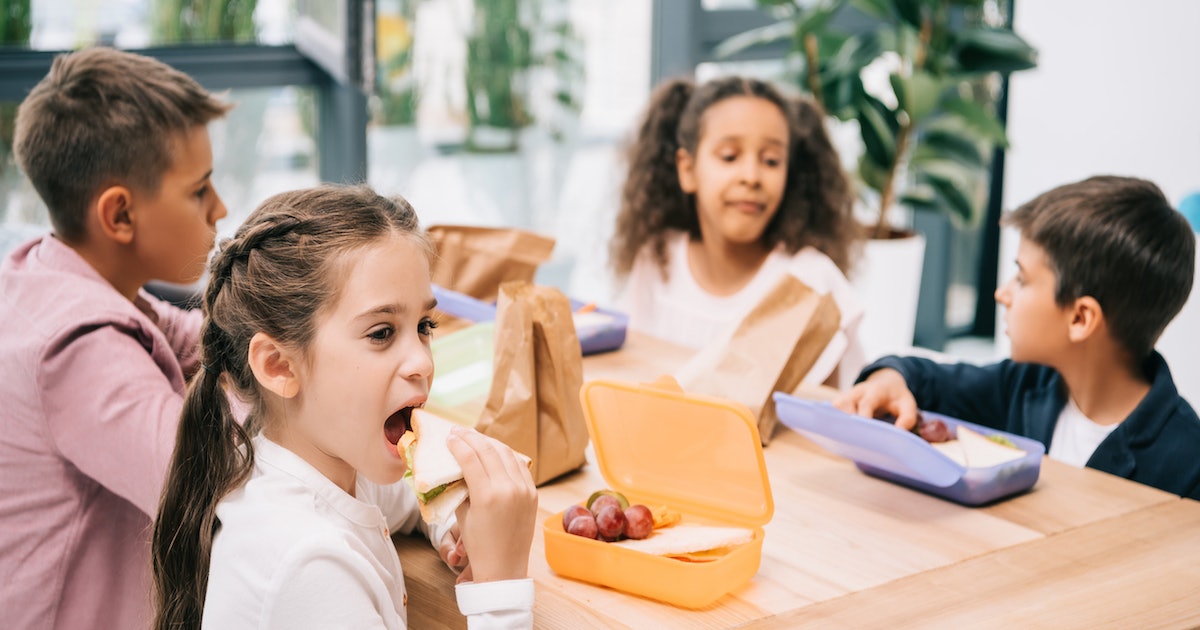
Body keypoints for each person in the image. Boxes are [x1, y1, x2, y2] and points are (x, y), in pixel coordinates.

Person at [152, 185, 539, 628]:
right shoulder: (309, 566)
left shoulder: (316, 461)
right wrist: (500, 586)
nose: (422, 361)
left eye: (424, 325)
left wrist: (449, 522)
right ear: (279, 366)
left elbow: (397, 495)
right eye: (381, 333)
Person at [0, 47, 232, 629]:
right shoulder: (79, 348)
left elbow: (208, 342)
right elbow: (212, 486)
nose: (220, 208)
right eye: (199, 189)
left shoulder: (51, 276)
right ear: (120, 215)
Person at [835, 175, 1200, 499]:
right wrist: (890, 379)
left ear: (1080, 318)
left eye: (1022, 279)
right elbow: (926, 378)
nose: (1001, 294)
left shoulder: (1188, 463)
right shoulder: (1023, 387)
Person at [609, 75, 865, 388]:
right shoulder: (659, 257)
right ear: (687, 170)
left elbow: (828, 417)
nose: (751, 176)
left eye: (771, 161)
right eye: (729, 156)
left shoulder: (810, 281)